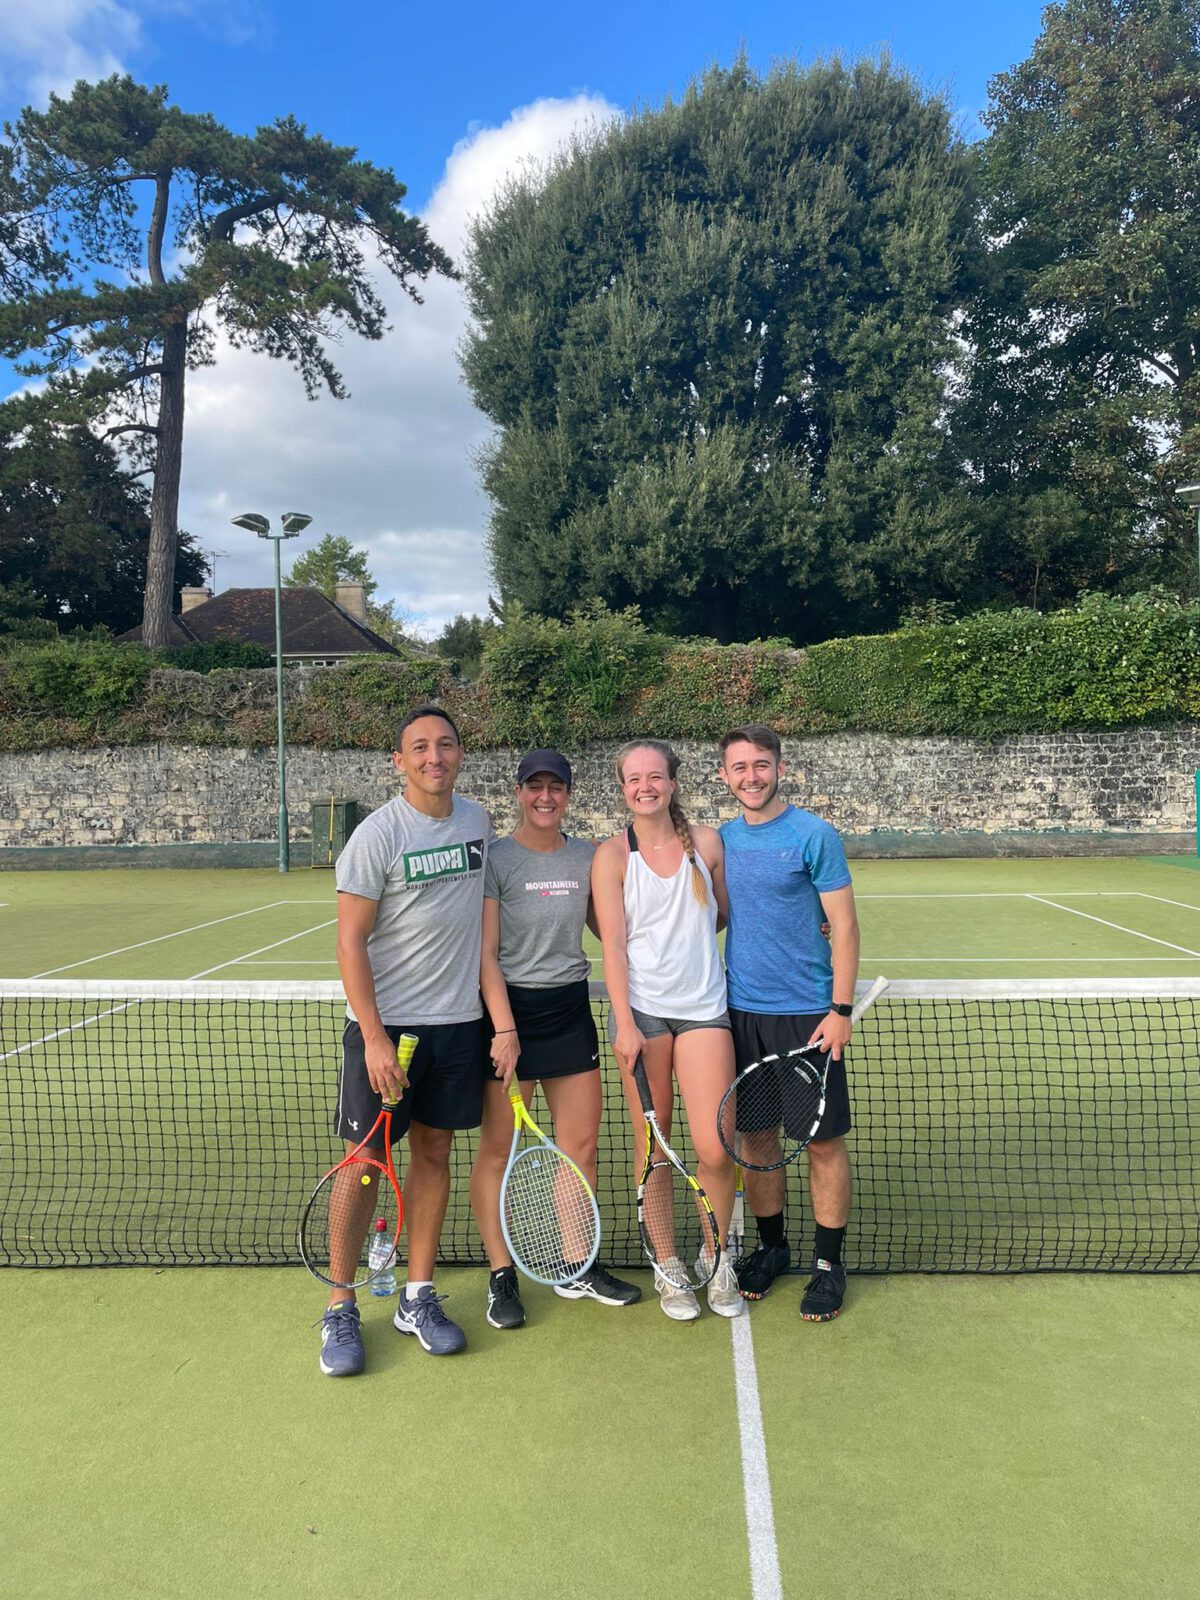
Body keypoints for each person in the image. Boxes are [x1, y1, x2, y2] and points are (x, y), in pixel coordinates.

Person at [316, 705, 491, 1376]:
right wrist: (375, 1038)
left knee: (435, 1154)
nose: (433, 756)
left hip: (458, 1025)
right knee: (362, 1165)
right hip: (387, 1033)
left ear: (460, 754)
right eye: (419, 747)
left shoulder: (476, 821)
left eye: (444, 744)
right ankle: (340, 1305)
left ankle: (417, 1295)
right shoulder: (375, 835)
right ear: (400, 760)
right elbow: (349, 941)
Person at [469, 748, 641, 1328]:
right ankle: (502, 1278)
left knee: (581, 1149)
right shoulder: (497, 860)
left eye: (556, 787)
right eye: (534, 786)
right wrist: (504, 1029)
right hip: (508, 1015)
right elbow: (485, 954)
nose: (545, 796)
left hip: (570, 1014)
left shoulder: (587, 857)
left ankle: (576, 1264)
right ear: (518, 792)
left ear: (568, 794)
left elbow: (613, 932)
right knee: (496, 1152)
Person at [591, 738, 743, 1322]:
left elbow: (728, 914)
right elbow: (613, 947)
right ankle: (667, 1264)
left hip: (705, 1009)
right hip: (643, 1017)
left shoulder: (706, 843)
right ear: (624, 788)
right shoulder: (612, 856)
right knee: (653, 1148)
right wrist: (625, 1023)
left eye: (655, 776)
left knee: (714, 1146)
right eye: (634, 779)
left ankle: (717, 1253)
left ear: (672, 782)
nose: (645, 786)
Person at [717, 724, 861, 1322]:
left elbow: (845, 925)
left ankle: (828, 1265)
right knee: (756, 1140)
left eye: (761, 764)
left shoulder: (813, 834)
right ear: (724, 775)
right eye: (739, 767)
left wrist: (841, 1009)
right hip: (739, 1014)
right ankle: (772, 1248)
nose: (751, 776)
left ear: (779, 767)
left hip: (808, 1017)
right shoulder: (720, 839)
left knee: (823, 1144)